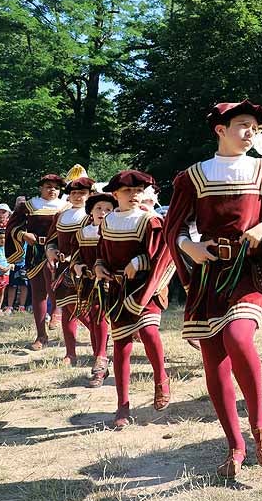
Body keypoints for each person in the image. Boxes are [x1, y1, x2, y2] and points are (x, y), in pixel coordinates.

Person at [164, 100, 262, 478]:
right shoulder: (191, 177)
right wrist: (189, 246)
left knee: (239, 338)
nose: (250, 132)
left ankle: (260, 425)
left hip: (248, 271)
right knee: (214, 363)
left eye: (255, 128)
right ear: (220, 129)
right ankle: (234, 445)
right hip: (209, 275)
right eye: (242, 125)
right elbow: (174, 226)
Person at [93, 170, 175, 429]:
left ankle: (161, 378)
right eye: (128, 191)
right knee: (121, 346)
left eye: (138, 191)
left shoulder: (150, 220)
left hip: (146, 287)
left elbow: (162, 253)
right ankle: (122, 406)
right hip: (117, 289)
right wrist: (98, 266)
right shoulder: (106, 222)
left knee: (149, 331)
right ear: (115, 194)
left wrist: (139, 262)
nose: (134, 196)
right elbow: (101, 251)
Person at [6, 174, 69, 350]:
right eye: (48, 186)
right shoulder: (29, 206)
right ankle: (41, 336)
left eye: (56, 187)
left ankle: (57, 310)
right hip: (35, 251)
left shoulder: (66, 206)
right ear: (41, 188)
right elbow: (12, 225)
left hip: (57, 251)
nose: (52, 190)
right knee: (38, 292)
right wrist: (23, 234)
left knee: (54, 283)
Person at [47, 176, 93, 364]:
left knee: (88, 309)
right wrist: (51, 250)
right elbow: (52, 238)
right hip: (63, 269)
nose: (77, 196)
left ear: (89, 195)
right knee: (67, 309)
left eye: (81, 193)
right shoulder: (61, 215)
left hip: (85, 268)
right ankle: (70, 353)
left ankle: (100, 344)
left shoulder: (92, 215)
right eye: (73, 193)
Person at [74, 192, 115, 388]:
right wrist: (77, 266)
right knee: (96, 315)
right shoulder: (83, 233)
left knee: (107, 320)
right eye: (99, 208)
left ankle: (103, 359)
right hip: (90, 284)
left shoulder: (117, 230)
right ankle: (100, 361)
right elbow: (76, 255)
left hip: (115, 282)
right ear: (91, 211)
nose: (103, 212)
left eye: (108, 209)